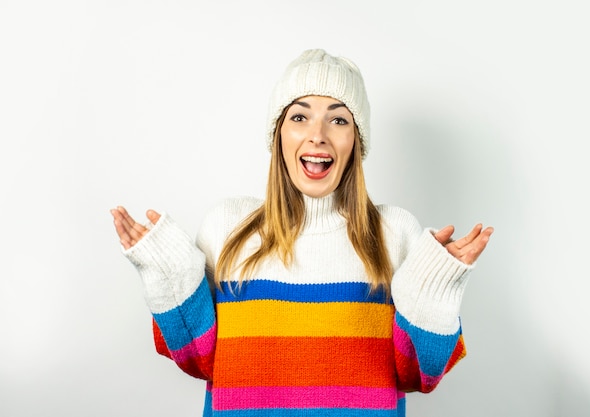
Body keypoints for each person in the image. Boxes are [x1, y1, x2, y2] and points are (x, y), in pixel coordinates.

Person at [111, 49, 494, 417]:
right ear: (278, 134)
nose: (318, 135)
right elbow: (197, 359)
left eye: (338, 120)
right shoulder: (227, 227)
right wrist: (168, 274)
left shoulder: (395, 233)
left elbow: (419, 377)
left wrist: (435, 288)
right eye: (299, 117)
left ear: (355, 142)